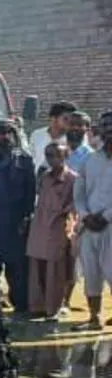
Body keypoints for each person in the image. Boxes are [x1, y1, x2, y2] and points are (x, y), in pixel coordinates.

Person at [0, 119, 36, 314]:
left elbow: (31, 192)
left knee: (18, 267)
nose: (5, 137)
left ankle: (21, 305)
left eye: (9, 133)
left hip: (16, 221)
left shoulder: (25, 160)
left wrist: (28, 217)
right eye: (0, 133)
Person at [27, 142, 77, 319]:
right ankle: (36, 308)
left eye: (56, 155)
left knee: (56, 271)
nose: (52, 159)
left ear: (65, 156)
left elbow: (74, 206)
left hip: (59, 228)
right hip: (39, 226)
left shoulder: (73, 179)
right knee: (36, 268)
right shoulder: (44, 177)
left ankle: (53, 309)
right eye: (48, 155)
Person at [75, 111, 112, 328]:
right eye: (106, 127)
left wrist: (105, 216)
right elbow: (78, 193)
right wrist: (85, 215)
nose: (109, 131)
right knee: (91, 274)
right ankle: (94, 318)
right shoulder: (91, 160)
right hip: (89, 227)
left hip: (110, 226)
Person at [29, 101, 77, 173]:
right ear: (53, 118)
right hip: (39, 180)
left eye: (72, 119)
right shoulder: (37, 135)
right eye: (66, 119)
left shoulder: (74, 139)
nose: (70, 122)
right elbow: (31, 160)